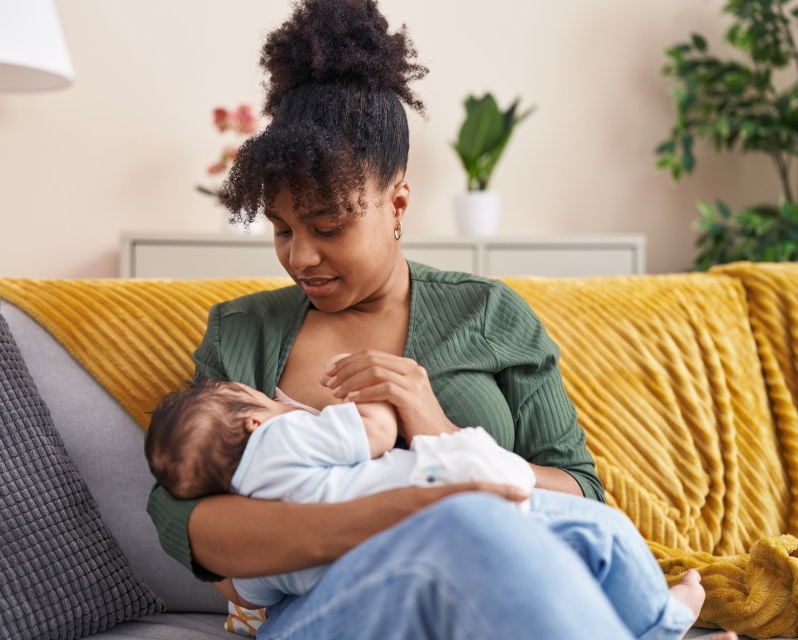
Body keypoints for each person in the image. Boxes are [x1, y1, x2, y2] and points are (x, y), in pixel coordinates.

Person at [146, 0, 738, 637]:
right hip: (332, 613)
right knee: (461, 526)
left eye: (327, 226)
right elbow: (188, 523)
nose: (301, 256)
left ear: (397, 200)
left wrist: (434, 423)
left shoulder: (487, 313)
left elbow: (583, 498)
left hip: (506, 597)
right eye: (282, 229)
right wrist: (414, 511)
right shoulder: (242, 333)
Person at [146, 370, 536, 609]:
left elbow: (248, 597)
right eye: (261, 398)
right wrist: (367, 394)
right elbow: (378, 433)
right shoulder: (281, 437)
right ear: (254, 423)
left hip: (375, 591)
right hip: (440, 491)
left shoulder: (249, 537)